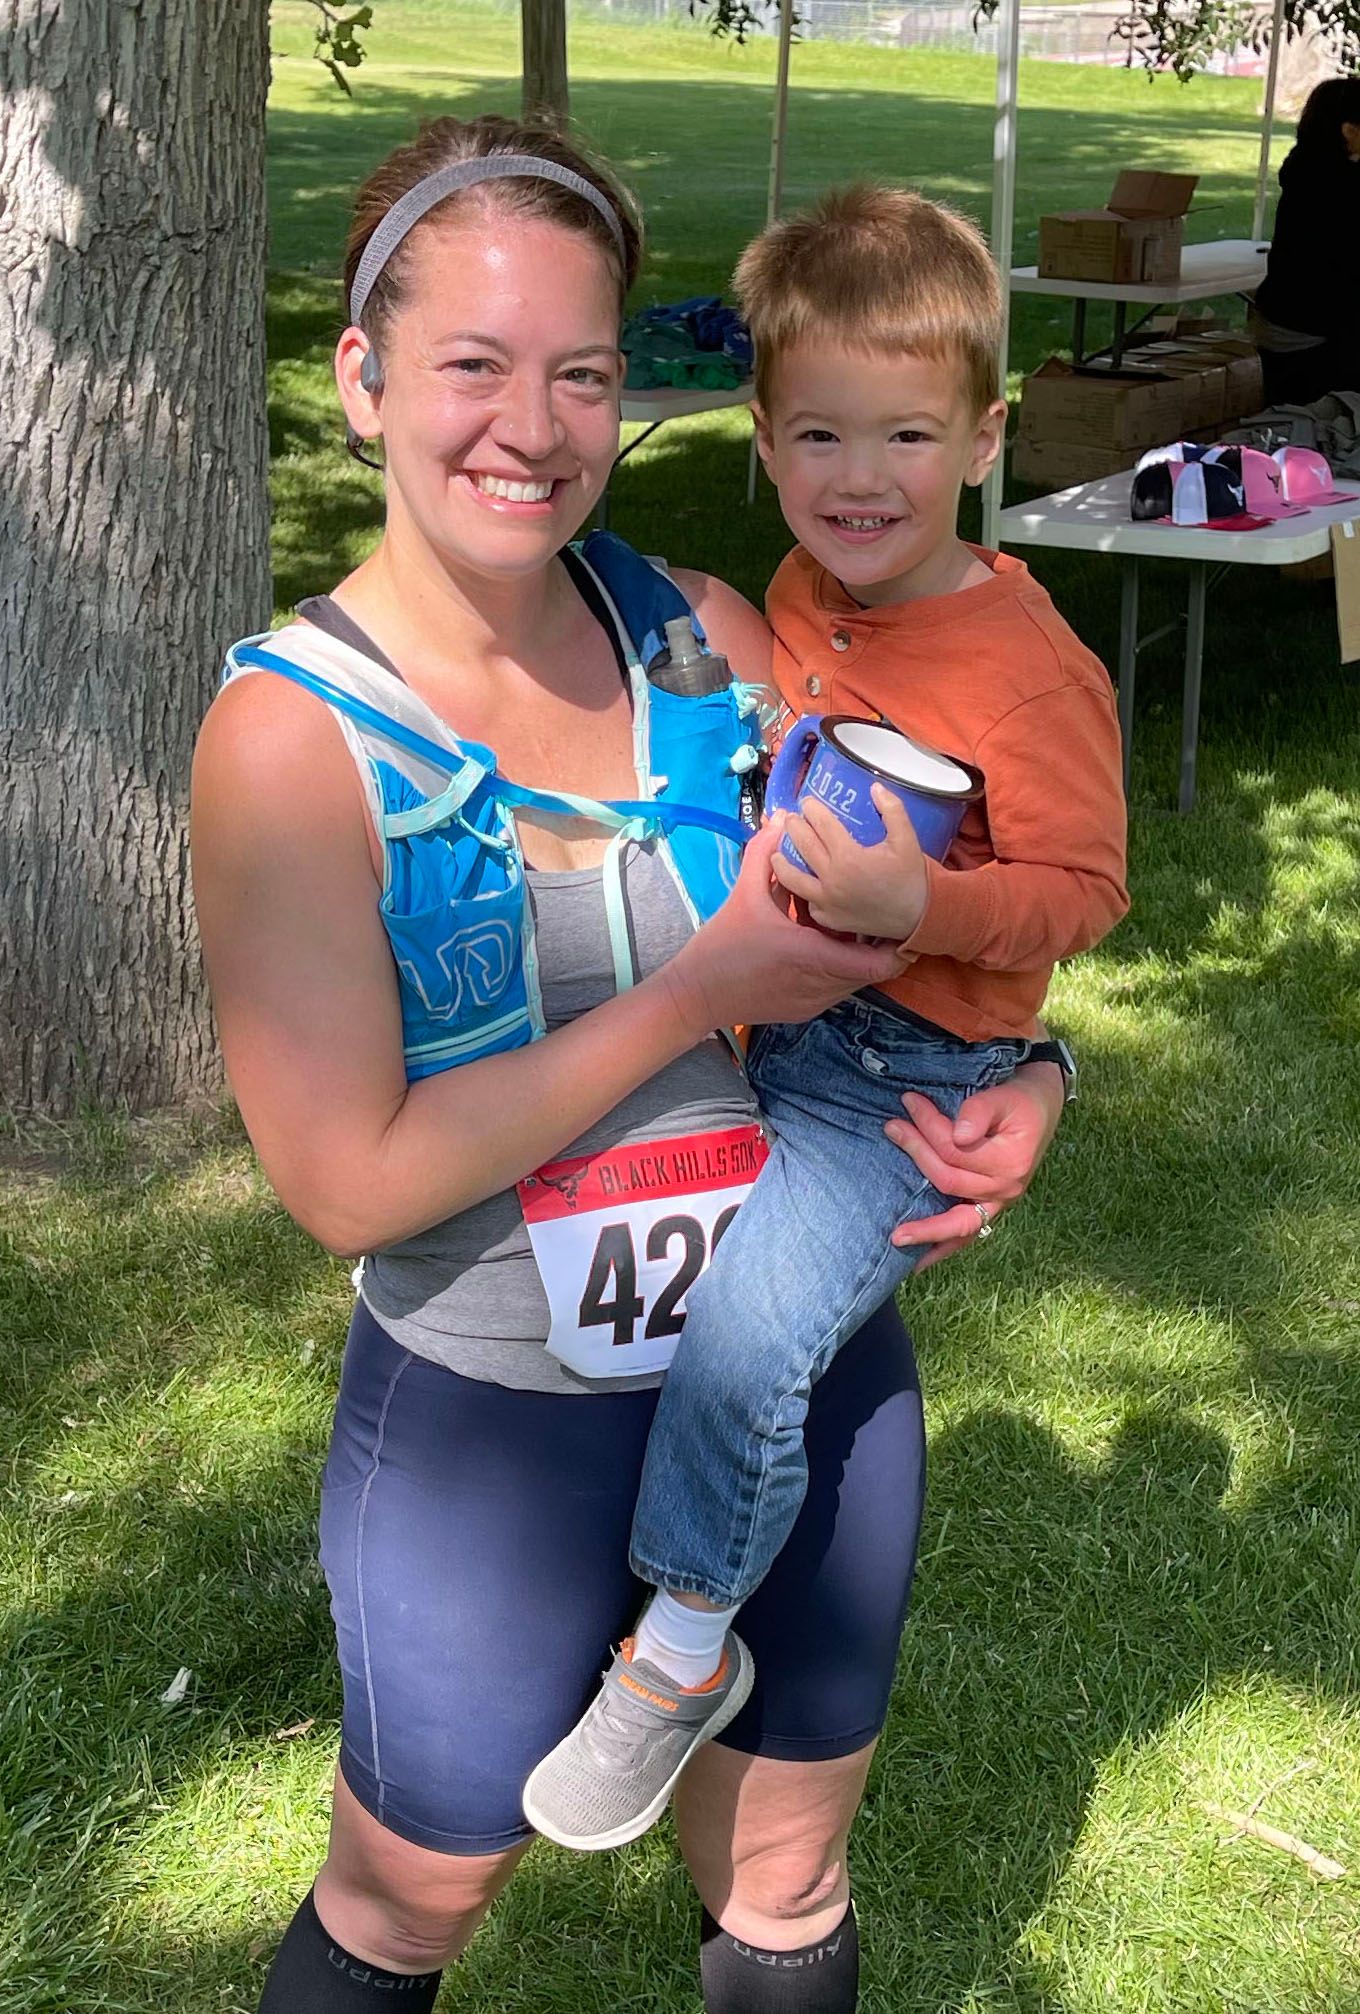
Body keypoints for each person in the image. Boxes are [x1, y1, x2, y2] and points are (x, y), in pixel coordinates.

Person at [192, 118, 1066, 2014]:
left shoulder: (707, 638)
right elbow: (349, 1176)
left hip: (800, 1380)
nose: (534, 424)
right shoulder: (290, 734)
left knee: (782, 1870)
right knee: (408, 1898)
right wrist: (694, 992)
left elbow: (893, 941)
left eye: (582, 370)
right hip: (498, 1426)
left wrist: (1035, 1071)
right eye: (474, 365)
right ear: (361, 377)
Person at [524, 185, 1129, 1854]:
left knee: (749, 1335)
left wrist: (928, 918)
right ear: (767, 440)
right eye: (819, 436)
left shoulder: (1027, 667)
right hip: (768, 1028)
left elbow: (1083, 886)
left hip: (903, 1075)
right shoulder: (803, 584)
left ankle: (680, 1646)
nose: (861, 479)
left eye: (908, 435)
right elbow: (773, 684)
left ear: (987, 433)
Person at [1251, 75, 1360, 406]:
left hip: (1289, 318)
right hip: (1311, 330)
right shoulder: (1336, 184)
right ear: (1347, 129)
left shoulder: (1308, 168)